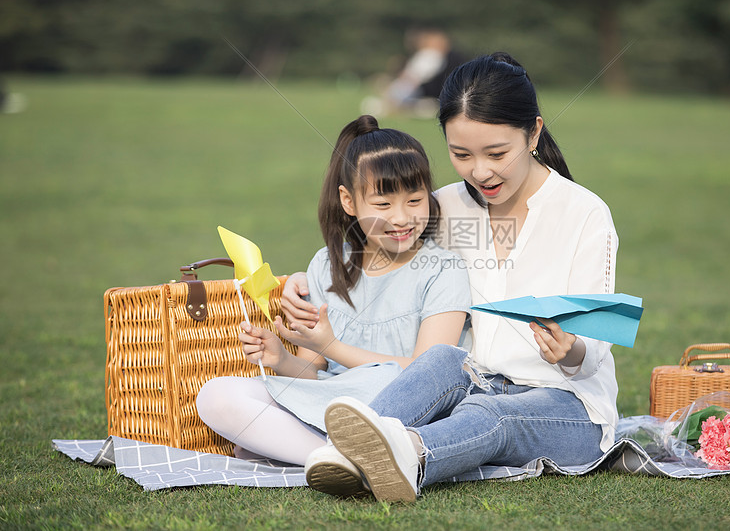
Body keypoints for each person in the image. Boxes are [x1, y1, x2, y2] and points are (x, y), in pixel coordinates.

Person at [284, 53, 620, 503]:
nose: (480, 172)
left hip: (568, 405)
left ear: (534, 132)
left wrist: (572, 349)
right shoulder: (445, 207)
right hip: (473, 381)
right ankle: (345, 455)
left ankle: (408, 455)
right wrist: (300, 279)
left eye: (497, 153)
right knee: (441, 360)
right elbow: (373, 251)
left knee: (491, 414)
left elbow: (594, 349)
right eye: (461, 155)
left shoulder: (583, 214)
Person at [195, 115, 472, 487]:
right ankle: (347, 460)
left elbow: (430, 373)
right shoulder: (325, 265)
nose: (402, 217)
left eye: (415, 200)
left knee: (369, 399)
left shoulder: (443, 269)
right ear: (349, 201)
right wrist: (281, 357)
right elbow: (315, 373)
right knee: (217, 395)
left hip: (397, 406)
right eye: (383, 204)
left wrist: (332, 346)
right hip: (330, 401)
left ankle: (319, 453)